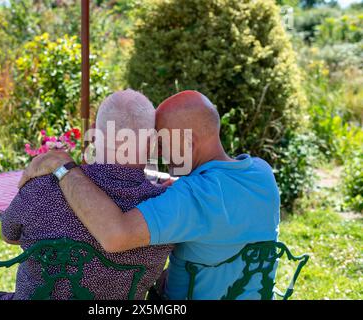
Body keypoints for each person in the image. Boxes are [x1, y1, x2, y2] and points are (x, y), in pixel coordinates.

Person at [19, 90, 281, 300]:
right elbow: (214, 195)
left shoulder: (191, 199)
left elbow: (115, 235)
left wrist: (64, 168)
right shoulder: (260, 173)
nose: (160, 153)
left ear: (188, 143)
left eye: (163, 142)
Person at [0, 89, 173, 300]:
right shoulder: (164, 209)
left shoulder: (41, 187)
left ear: (94, 135)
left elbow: (8, 234)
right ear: (151, 143)